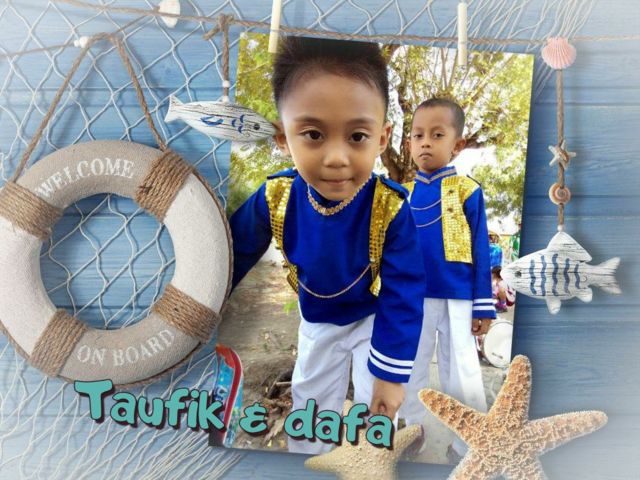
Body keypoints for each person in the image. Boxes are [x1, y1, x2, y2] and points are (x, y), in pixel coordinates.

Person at [229, 36, 426, 454]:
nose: (336, 157)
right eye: (314, 134)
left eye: (357, 136)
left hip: (373, 317)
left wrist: (391, 377)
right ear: (283, 137)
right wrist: (197, 310)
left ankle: (378, 460)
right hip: (317, 320)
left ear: (383, 137)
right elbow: (229, 256)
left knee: (379, 407)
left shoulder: (391, 207)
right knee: (311, 408)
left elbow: (404, 292)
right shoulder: (275, 197)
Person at [399, 97, 496, 461]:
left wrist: (483, 305)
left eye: (437, 135)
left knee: (462, 370)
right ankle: (410, 429)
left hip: (459, 297)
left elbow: (481, 250)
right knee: (410, 364)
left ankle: (468, 443)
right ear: (408, 143)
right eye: (418, 135)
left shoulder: (468, 191)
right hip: (414, 298)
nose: (425, 142)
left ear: (457, 144)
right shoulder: (403, 195)